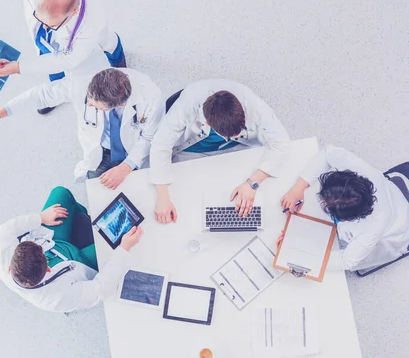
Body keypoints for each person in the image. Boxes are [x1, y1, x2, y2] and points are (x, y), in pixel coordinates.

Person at [0, 0, 127, 115]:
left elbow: (67, 61)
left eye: (51, 25)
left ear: (74, 12)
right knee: (46, 52)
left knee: (109, 43)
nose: (44, 26)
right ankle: (53, 94)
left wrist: (18, 68)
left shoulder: (91, 25)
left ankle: (118, 59)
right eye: (39, 18)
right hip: (53, 26)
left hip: (96, 33)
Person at [0, 68, 164, 188]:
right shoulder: (83, 83)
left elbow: (148, 138)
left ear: (119, 106)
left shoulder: (150, 96)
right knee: (102, 194)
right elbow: (40, 95)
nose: (88, 105)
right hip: (100, 151)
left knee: (139, 194)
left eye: (95, 107)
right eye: (88, 101)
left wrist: (126, 167)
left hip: (132, 152)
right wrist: (0, 113)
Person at [149, 80, 291, 224]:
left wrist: (252, 183)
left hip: (236, 148)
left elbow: (282, 143)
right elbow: (160, 145)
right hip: (193, 151)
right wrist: (162, 197)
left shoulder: (251, 103)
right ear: (207, 124)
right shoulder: (187, 105)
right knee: (189, 205)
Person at [0, 186, 144, 312]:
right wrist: (123, 249)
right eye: (42, 250)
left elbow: (7, 229)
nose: (41, 247)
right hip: (78, 261)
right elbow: (99, 289)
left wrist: (41, 218)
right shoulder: (56, 298)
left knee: (61, 193)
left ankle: (84, 217)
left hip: (55, 241)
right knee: (120, 239)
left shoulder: (0, 255)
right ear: (48, 270)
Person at [280, 145, 409, 272]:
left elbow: (346, 261)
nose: (321, 202)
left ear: (348, 218)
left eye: (326, 204)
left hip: (397, 230)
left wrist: (296, 255)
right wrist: (298, 188)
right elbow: (327, 154)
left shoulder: (373, 227)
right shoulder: (358, 170)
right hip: (393, 195)